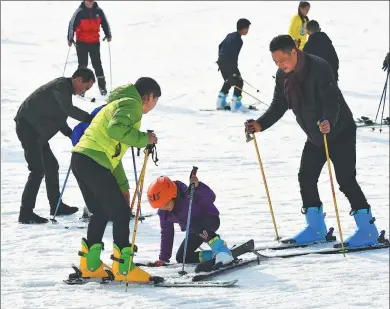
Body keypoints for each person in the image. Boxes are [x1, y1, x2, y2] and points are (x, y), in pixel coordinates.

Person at [245, 35, 379, 249]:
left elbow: (331, 100)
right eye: (276, 62)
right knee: (306, 177)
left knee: (345, 180)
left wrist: (328, 121)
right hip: (316, 136)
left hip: (340, 131)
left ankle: (368, 231)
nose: (280, 66)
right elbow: (279, 105)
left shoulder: (319, 67)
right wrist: (260, 124)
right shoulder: (283, 76)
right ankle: (316, 229)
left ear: (294, 52)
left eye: (282, 60)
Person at [70, 77, 160, 282]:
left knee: (101, 211)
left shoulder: (117, 104)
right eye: (155, 102)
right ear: (149, 97)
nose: (153, 107)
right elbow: (116, 130)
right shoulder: (132, 104)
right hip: (92, 161)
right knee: (120, 212)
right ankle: (123, 268)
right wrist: (144, 139)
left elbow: (113, 154)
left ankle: (90, 265)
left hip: (82, 159)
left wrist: (122, 186)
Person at [14, 67, 95, 224]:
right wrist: (90, 119)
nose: (84, 92)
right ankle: (25, 213)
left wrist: (71, 134)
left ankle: (56, 206)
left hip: (37, 133)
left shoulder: (63, 91)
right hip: (28, 128)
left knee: (52, 166)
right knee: (37, 170)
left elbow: (58, 118)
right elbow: (68, 110)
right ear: (78, 80)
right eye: (85, 87)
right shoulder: (61, 87)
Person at [146, 174, 234, 267]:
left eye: (166, 203)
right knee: (182, 257)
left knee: (194, 224)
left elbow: (211, 197)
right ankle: (214, 256)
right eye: (161, 206)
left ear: (174, 195)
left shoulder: (189, 195)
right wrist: (163, 258)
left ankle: (222, 251)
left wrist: (198, 186)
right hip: (194, 230)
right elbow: (167, 233)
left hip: (210, 220)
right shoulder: (164, 213)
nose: (165, 208)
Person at [67, 0, 112, 96]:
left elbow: (104, 23)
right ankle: (79, 89)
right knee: (83, 65)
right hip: (82, 42)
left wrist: (108, 34)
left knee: (97, 65)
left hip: (94, 42)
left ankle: (102, 87)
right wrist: (70, 38)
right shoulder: (79, 12)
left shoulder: (99, 11)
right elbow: (72, 25)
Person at [216, 18, 251, 112]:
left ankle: (220, 101)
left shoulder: (230, 35)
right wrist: (234, 69)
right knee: (239, 81)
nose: (248, 30)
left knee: (229, 80)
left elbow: (220, 46)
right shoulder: (239, 41)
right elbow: (233, 54)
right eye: (247, 28)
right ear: (243, 29)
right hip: (229, 62)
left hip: (221, 61)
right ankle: (236, 104)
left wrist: (221, 58)